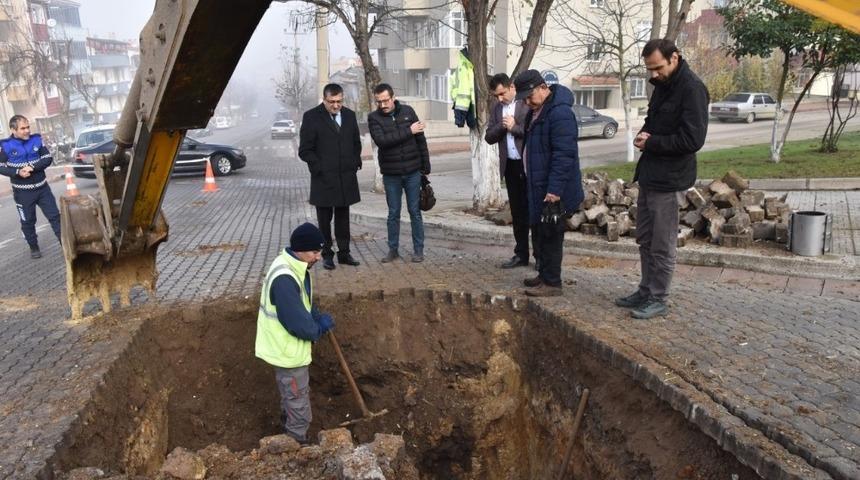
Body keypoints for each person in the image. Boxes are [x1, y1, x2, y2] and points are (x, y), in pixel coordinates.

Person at [615, 39, 709, 319]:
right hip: (650, 174)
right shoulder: (662, 86)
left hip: (670, 179)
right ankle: (645, 290)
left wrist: (652, 142)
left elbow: (693, 140)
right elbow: (653, 122)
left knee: (662, 243)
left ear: (674, 58)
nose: (654, 74)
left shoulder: (692, 89)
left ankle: (658, 298)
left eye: (658, 68)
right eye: (650, 69)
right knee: (645, 238)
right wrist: (642, 135)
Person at [255, 222, 335, 444]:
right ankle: (296, 446)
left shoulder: (293, 265)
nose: (318, 257)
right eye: (314, 252)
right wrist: (318, 327)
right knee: (299, 406)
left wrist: (314, 314)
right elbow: (300, 326)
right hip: (287, 353)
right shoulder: (285, 278)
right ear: (300, 249)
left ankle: (286, 432)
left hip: (285, 349)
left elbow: (299, 303)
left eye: (320, 252)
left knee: (291, 399)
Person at [515, 70, 583, 297]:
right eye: (524, 99)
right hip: (537, 185)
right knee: (540, 232)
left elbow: (564, 155)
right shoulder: (537, 111)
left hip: (553, 190)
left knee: (552, 234)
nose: (527, 102)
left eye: (530, 96)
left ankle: (552, 283)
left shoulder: (560, 113)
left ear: (543, 88)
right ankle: (544, 274)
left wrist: (554, 190)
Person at [298, 83, 363, 270]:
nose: (336, 105)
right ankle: (327, 255)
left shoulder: (349, 115)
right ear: (324, 99)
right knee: (324, 221)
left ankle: (344, 253)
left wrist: (354, 162)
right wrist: (318, 167)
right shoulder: (311, 117)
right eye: (332, 102)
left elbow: (356, 142)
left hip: (345, 178)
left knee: (343, 218)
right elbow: (305, 150)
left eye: (339, 101)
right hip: (323, 179)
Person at [367, 83, 431, 263]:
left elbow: (420, 140)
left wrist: (426, 166)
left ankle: (418, 250)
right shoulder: (373, 118)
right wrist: (409, 131)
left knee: (415, 211)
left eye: (385, 100)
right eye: (379, 102)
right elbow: (382, 141)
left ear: (393, 97)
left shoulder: (408, 112)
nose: (382, 105)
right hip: (391, 174)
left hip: (413, 172)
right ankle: (393, 250)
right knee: (393, 213)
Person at [485, 73, 533, 270]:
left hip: (528, 166)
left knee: (533, 212)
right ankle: (521, 254)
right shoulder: (497, 109)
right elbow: (489, 137)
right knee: (517, 213)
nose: (500, 98)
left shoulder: (527, 104)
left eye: (502, 93)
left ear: (511, 87)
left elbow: (532, 132)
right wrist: (503, 127)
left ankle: (540, 256)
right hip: (510, 167)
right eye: (496, 95)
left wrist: (514, 127)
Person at [0, 115, 61, 259]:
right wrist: (17, 172)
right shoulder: (5, 146)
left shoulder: (37, 140)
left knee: (55, 217)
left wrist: (32, 167)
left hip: (43, 189)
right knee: (28, 221)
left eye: (28, 127)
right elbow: (1, 166)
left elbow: (47, 158)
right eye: (23, 128)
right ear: (13, 130)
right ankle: (34, 247)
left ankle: (64, 244)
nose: (27, 130)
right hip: (22, 193)